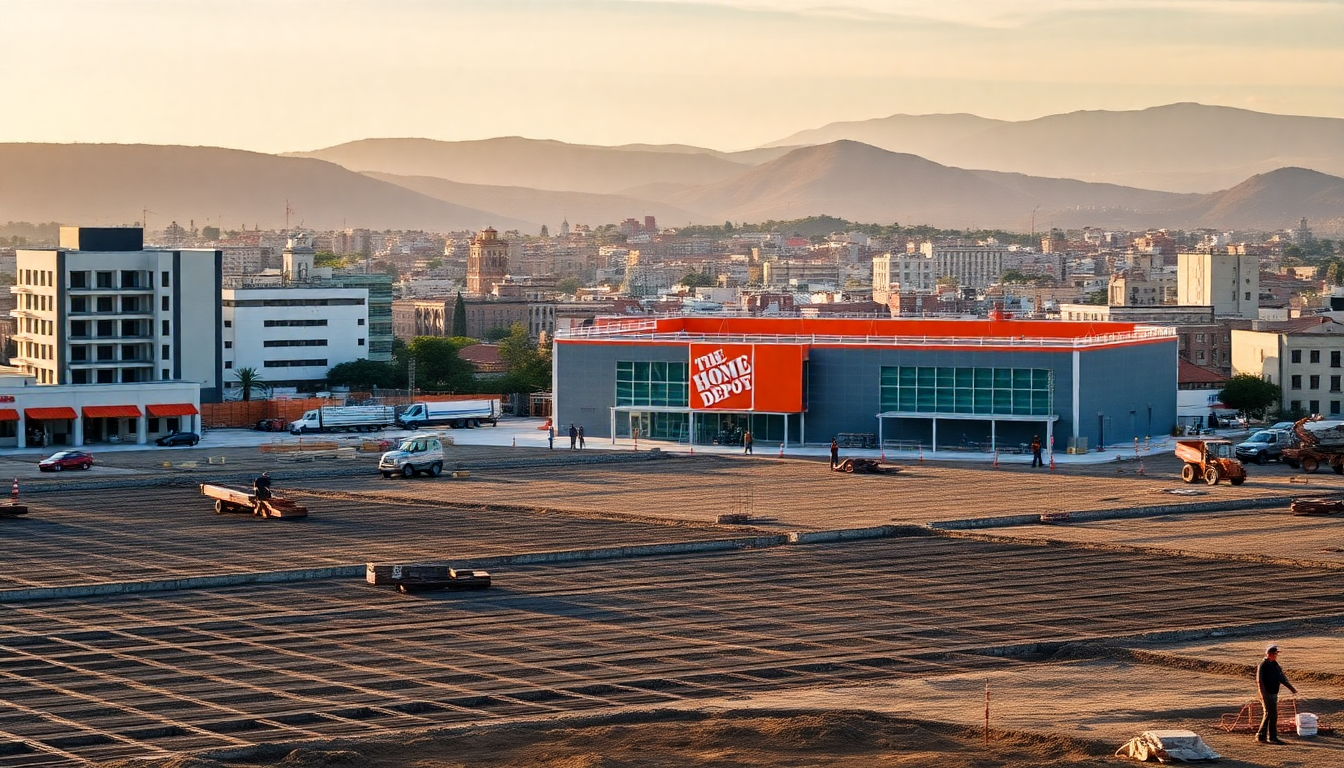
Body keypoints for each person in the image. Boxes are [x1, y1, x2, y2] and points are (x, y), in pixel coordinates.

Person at [1256, 644, 1298, 744]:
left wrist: (1291, 688)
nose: (1276, 655)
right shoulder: (1263, 665)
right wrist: (1263, 695)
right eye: (1275, 654)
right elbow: (1259, 681)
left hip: (1273, 693)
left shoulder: (1275, 664)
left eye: (1276, 654)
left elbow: (1281, 677)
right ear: (1269, 654)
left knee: (1270, 714)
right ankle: (1271, 737)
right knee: (1271, 714)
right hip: (1267, 694)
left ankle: (1261, 736)